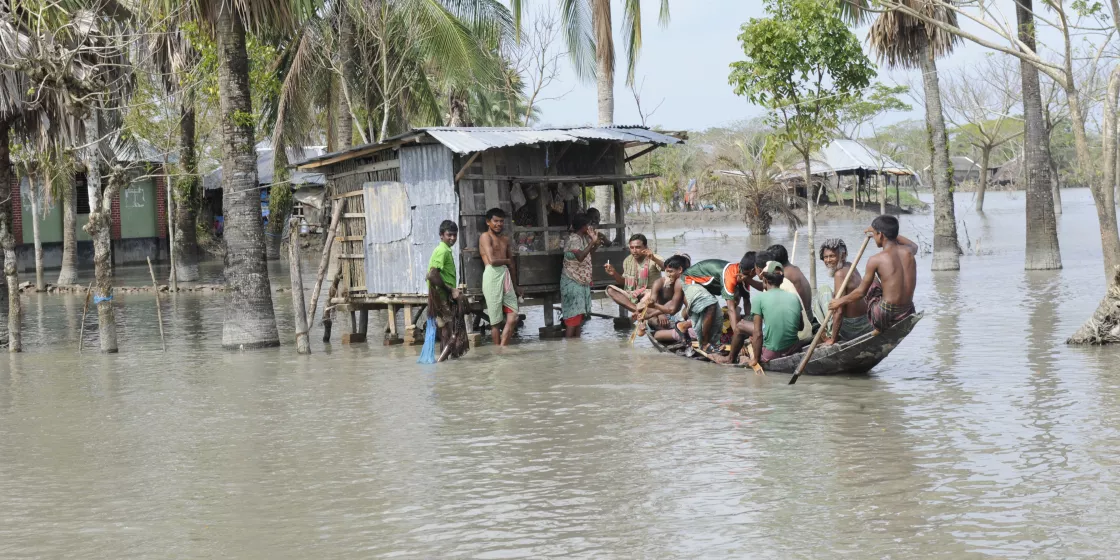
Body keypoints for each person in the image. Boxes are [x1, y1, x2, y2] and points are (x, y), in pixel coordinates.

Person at [829, 215, 918, 333]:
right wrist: (887, 231)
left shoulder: (875, 260)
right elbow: (914, 245)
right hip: (908, 311)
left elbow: (861, 293)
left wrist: (839, 301)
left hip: (884, 316)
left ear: (880, 235)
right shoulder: (909, 251)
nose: (874, 237)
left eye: (875, 234)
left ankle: (877, 327)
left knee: (872, 281)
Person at [649, 256, 722, 351]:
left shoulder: (680, 281)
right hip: (715, 323)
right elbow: (674, 308)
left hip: (701, 327)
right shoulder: (696, 277)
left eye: (670, 271)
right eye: (667, 272)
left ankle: (686, 332)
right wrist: (652, 314)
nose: (668, 275)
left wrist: (654, 307)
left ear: (680, 270)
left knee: (657, 335)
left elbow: (672, 309)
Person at [744, 261, 805, 368]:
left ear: (765, 280)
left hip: (773, 352)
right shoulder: (794, 297)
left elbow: (758, 333)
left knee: (750, 337)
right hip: (794, 348)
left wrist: (755, 359)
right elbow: (801, 327)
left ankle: (731, 358)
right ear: (781, 280)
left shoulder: (759, 298)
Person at [814, 238, 873, 345]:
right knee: (831, 294)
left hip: (852, 328)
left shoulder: (839, 274)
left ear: (843, 255)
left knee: (822, 292)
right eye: (825, 257)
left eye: (832, 256)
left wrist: (833, 339)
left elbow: (839, 311)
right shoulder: (850, 265)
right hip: (865, 321)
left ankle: (827, 333)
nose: (827, 260)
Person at [426, 220, 468, 360]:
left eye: (455, 235)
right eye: (449, 235)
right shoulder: (442, 250)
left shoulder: (445, 250)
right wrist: (450, 289)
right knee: (451, 331)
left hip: (442, 296)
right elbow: (432, 275)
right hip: (441, 296)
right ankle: (442, 362)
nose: (453, 238)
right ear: (441, 235)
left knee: (446, 330)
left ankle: (446, 367)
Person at [480, 208, 521, 346]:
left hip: (506, 275)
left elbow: (512, 265)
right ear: (488, 222)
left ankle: (502, 348)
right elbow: (492, 260)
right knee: (495, 321)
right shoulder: (485, 237)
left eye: (501, 221)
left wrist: (516, 286)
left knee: (513, 316)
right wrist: (508, 261)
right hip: (492, 274)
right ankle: (498, 351)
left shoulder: (505, 239)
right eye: (495, 221)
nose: (498, 224)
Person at [561, 212, 604, 337]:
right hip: (572, 281)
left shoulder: (584, 239)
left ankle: (576, 350)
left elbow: (589, 253)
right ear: (583, 226)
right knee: (572, 317)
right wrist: (592, 242)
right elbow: (580, 257)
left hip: (580, 281)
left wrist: (594, 242)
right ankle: (569, 347)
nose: (591, 228)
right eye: (589, 225)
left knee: (579, 317)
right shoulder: (573, 239)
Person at [682, 258, 749, 337]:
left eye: (738, 299)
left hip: (708, 284)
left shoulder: (745, 278)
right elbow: (731, 310)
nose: (736, 302)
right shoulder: (729, 277)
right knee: (709, 311)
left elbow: (747, 301)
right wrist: (736, 337)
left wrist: (748, 320)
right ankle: (683, 324)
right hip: (691, 280)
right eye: (734, 299)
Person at [605, 233, 664, 313]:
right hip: (634, 293)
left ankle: (640, 310)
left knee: (650, 295)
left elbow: (666, 268)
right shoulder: (627, 260)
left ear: (645, 247)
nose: (634, 251)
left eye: (638, 247)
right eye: (632, 247)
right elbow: (623, 282)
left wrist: (653, 258)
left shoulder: (654, 257)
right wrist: (614, 273)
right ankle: (637, 310)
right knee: (610, 290)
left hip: (651, 293)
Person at [765, 244, 813, 325]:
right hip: (808, 315)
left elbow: (770, 290)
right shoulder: (795, 269)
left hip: (802, 320)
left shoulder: (785, 274)